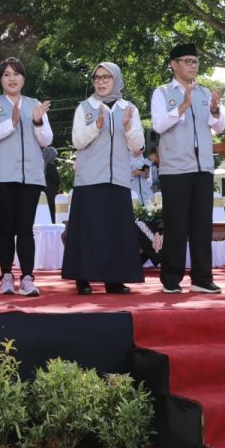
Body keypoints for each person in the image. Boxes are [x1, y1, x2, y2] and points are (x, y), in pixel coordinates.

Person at [62, 62, 146, 295]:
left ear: (116, 79)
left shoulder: (128, 108)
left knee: (115, 231)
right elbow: (78, 141)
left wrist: (128, 126)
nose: (100, 82)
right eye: (97, 78)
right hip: (89, 179)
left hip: (118, 178)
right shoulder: (84, 108)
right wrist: (96, 125)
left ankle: (114, 279)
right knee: (88, 230)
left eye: (106, 77)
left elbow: (138, 146)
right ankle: (83, 278)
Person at [150, 42, 225, 294]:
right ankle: (171, 279)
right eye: (187, 61)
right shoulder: (162, 92)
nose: (193, 66)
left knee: (202, 225)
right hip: (175, 169)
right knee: (176, 225)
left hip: (203, 167)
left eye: (195, 61)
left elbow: (219, 128)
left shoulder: (204, 93)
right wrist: (183, 104)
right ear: (173, 64)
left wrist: (215, 109)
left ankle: (202, 278)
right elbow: (159, 125)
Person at [0, 57, 53, 296]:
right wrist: (10, 123)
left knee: (25, 228)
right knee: (7, 226)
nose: (12, 78)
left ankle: (28, 278)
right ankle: (6, 277)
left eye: (16, 74)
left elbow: (46, 140)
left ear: (24, 78)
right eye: (6, 74)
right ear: (0, 79)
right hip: (2, 175)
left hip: (31, 175)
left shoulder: (34, 104)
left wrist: (38, 121)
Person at [42, 146, 62, 223]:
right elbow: (57, 180)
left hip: (44, 192)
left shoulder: (41, 165)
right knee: (52, 212)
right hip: (51, 193)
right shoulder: (51, 165)